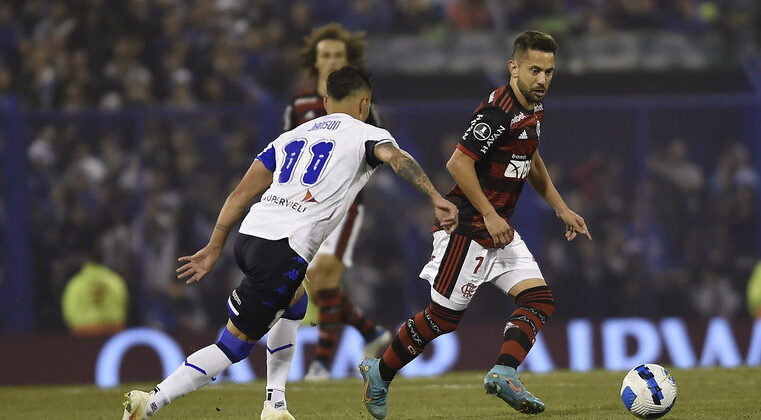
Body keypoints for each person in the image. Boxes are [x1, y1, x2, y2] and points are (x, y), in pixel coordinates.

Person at [121, 66, 458, 420]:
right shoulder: (367, 134)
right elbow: (398, 159)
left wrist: (215, 245)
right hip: (284, 248)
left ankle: (275, 404)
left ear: (326, 102)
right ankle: (152, 402)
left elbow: (240, 194)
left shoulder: (291, 136)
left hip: (250, 237)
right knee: (233, 345)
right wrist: (435, 196)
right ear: (364, 103)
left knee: (296, 300)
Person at [359, 31, 592, 419]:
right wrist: (488, 212)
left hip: (497, 229)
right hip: (467, 227)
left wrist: (561, 207)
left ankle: (503, 372)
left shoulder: (534, 108)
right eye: (534, 70)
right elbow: (457, 163)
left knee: (539, 300)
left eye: (549, 72)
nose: (542, 79)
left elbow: (530, 158)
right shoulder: (497, 111)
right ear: (513, 68)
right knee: (441, 319)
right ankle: (378, 373)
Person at [281, 22, 390, 382]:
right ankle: (371, 331)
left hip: (344, 206)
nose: (331, 61)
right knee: (319, 280)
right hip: (306, 208)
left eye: (338, 55)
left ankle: (322, 365)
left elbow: (377, 149)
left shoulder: (362, 105)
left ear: (348, 60)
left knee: (322, 276)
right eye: (325, 55)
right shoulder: (299, 106)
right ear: (315, 62)